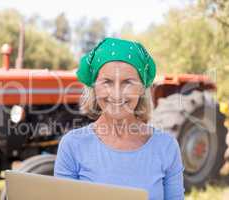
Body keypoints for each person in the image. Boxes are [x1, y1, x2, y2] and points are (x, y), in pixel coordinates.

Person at [54, 37, 185, 200]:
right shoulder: (72, 146)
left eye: (127, 82)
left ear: (142, 88)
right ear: (94, 87)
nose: (116, 94)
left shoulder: (166, 147)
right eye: (107, 82)